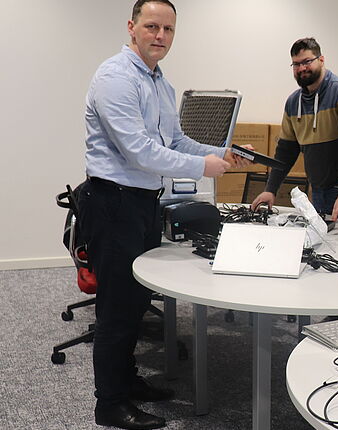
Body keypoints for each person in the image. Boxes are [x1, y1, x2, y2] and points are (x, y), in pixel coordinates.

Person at [78, 1, 249, 428]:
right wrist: (201, 168)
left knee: (137, 301)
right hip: (113, 201)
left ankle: (128, 380)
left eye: (168, 29)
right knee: (117, 309)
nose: (160, 36)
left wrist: (218, 153)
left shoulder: (160, 83)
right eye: (152, 26)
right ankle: (110, 404)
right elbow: (138, 150)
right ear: (131, 27)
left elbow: (174, 139)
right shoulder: (116, 77)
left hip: (141, 203)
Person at [251, 38, 338, 236]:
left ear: (321, 60)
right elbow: (285, 153)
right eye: (296, 64)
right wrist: (270, 189)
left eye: (307, 61)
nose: (302, 68)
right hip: (319, 192)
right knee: (322, 249)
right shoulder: (293, 102)